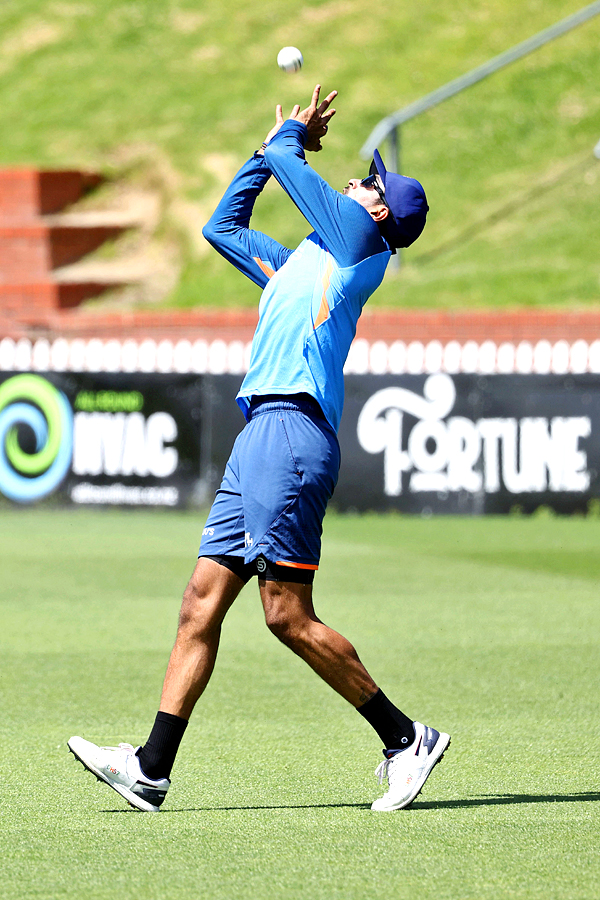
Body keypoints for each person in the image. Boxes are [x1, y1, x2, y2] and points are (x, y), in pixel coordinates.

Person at [68, 85, 449, 813]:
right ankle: (151, 768)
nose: (360, 179)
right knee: (199, 605)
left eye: (371, 181)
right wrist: (261, 156)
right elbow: (222, 227)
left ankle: (406, 739)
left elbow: (294, 167)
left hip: (293, 433)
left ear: (377, 211)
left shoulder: (357, 240)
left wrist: (291, 141)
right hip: (261, 437)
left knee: (285, 615)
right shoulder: (308, 256)